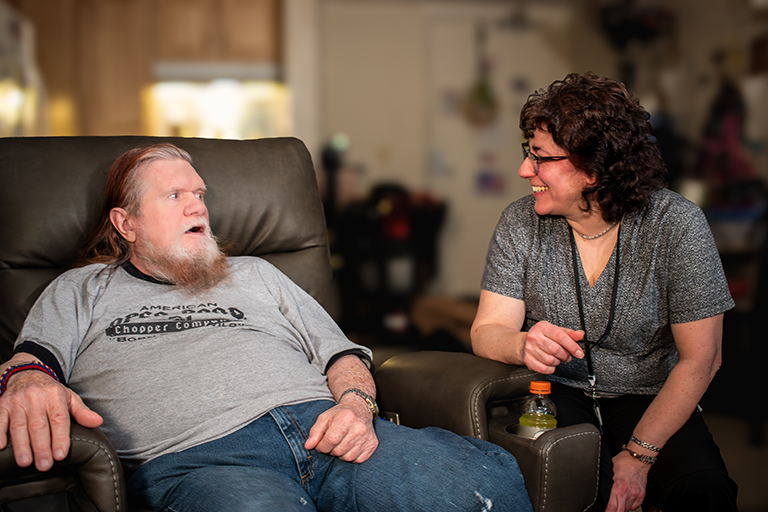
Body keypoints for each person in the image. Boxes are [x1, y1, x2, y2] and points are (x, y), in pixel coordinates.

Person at [0, 143, 533, 512]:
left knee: (474, 484)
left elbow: (342, 355)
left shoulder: (256, 273)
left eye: (200, 194)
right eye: (176, 196)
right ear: (126, 224)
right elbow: (31, 362)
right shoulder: (82, 288)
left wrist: (356, 405)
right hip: (202, 460)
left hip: (333, 434)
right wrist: (28, 381)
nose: (199, 207)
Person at [471, 72, 739, 512]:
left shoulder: (676, 226)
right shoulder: (520, 223)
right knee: (578, 491)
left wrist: (637, 456)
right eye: (527, 153)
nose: (524, 170)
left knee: (703, 487)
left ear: (593, 170)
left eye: (539, 157)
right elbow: (487, 329)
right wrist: (522, 344)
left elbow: (702, 359)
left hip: (650, 394)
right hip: (554, 393)